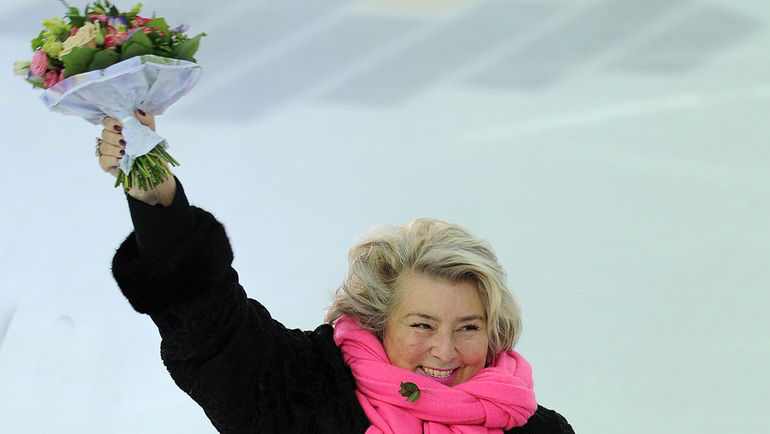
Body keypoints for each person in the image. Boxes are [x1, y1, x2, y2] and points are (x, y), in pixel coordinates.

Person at [97, 111, 575, 433]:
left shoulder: (537, 430)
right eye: (422, 325)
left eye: (468, 327)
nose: (445, 351)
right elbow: (212, 327)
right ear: (379, 321)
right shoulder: (305, 389)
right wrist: (158, 200)